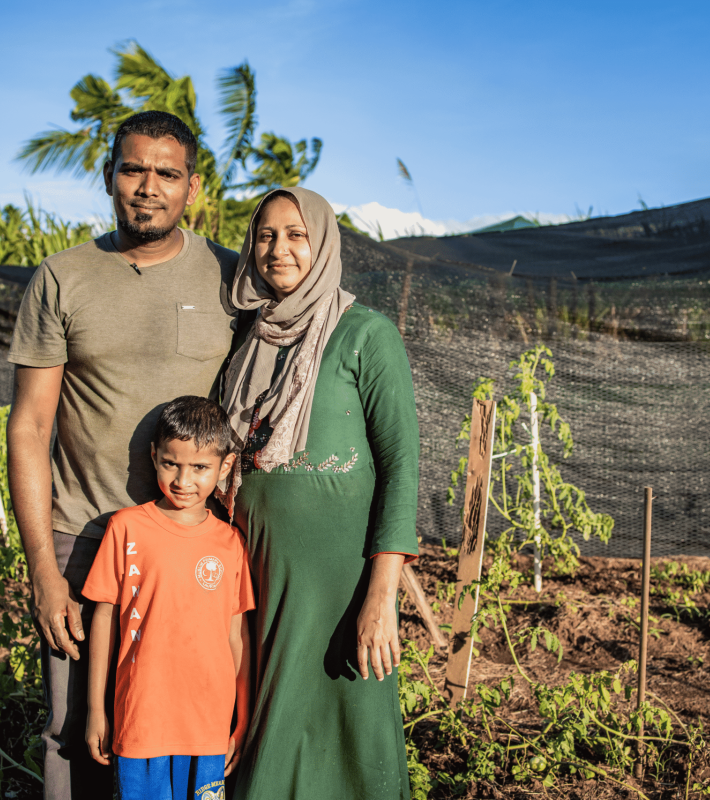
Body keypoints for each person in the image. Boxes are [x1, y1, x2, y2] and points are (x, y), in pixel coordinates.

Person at [6, 110, 239, 800]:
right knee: (75, 728)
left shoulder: (228, 280)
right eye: (133, 169)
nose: (148, 186)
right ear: (109, 177)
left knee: (188, 720)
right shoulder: (62, 278)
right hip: (84, 536)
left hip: (188, 548)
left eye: (167, 173)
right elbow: (30, 427)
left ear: (191, 188)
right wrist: (43, 570)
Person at [220, 187, 420, 800]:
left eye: (296, 235)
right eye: (265, 235)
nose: (279, 249)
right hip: (260, 568)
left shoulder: (365, 333)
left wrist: (381, 596)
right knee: (265, 717)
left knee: (349, 725)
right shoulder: (248, 338)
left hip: (340, 581)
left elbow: (400, 466)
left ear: (324, 243)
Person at [83, 396, 253, 800]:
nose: (183, 480)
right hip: (141, 719)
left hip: (208, 725)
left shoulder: (230, 543)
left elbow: (237, 639)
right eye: (170, 463)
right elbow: (104, 620)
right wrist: (95, 709)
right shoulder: (125, 529)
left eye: (199, 468)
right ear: (153, 455)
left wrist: (241, 720)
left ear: (224, 466)